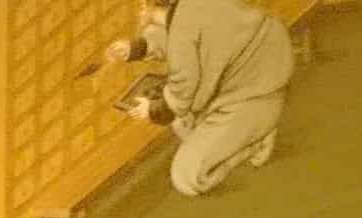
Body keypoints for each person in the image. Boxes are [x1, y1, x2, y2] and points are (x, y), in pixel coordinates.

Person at [107, 0, 292, 198]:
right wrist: (137, 47)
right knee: (182, 122)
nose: (140, 7)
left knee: (186, 178)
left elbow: (183, 86)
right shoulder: (188, 9)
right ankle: (248, 135)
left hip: (253, 97)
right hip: (251, 79)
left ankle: (253, 143)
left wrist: (151, 109)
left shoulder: (182, 29)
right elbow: (175, 33)